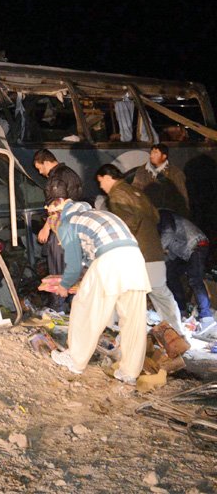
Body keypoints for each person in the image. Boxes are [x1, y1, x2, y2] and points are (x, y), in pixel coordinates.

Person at [48, 199, 149, 384]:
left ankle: (75, 360)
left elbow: (74, 263)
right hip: (135, 259)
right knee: (133, 320)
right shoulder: (98, 214)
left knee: (85, 308)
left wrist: (64, 285)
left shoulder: (68, 222)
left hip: (110, 260)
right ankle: (129, 373)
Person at [95, 164, 186, 336]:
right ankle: (177, 331)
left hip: (135, 253)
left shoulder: (117, 194)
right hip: (153, 248)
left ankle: (116, 331)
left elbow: (126, 224)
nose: (101, 187)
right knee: (161, 292)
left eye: (101, 182)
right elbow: (156, 216)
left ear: (108, 177)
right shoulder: (137, 192)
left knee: (120, 291)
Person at [33, 149, 83, 311]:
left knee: (57, 270)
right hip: (75, 229)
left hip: (60, 230)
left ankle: (57, 308)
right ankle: (75, 307)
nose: (40, 172)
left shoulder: (56, 178)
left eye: (39, 168)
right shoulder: (71, 173)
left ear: (46, 162)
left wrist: (46, 228)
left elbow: (58, 207)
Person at [158, 209, 216, 335]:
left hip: (197, 244)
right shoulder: (159, 224)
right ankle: (181, 310)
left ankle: (207, 318)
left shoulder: (163, 214)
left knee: (195, 279)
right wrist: (163, 261)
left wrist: (158, 250)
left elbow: (169, 233)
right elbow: (172, 245)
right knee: (170, 274)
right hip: (185, 251)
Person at [131, 143, 189, 217]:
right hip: (148, 214)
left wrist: (184, 215)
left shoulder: (175, 173)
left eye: (155, 153)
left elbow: (182, 195)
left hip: (169, 214)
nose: (152, 155)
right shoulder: (142, 171)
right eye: (151, 152)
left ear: (164, 156)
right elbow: (135, 190)